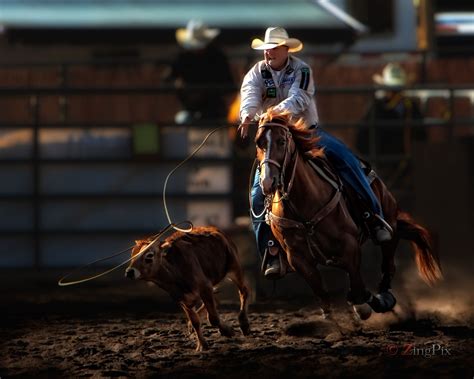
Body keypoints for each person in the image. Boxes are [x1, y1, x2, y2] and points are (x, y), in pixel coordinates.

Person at [238, 27, 393, 279]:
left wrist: (273, 113)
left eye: (274, 47)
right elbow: (250, 96)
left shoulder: (302, 70)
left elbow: (299, 99)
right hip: (275, 138)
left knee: (347, 161)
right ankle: (271, 251)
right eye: (266, 48)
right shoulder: (256, 73)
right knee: (257, 193)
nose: (268, 52)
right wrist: (247, 114)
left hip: (306, 133)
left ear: (286, 49)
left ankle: (373, 217)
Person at [357, 63, 426, 186]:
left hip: (404, 169)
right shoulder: (377, 108)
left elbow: (421, 136)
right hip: (387, 168)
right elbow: (361, 139)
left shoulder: (410, 108)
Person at [163, 20, 236, 124]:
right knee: (183, 120)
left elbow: (229, 86)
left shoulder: (218, 58)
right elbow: (167, 79)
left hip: (214, 109)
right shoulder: (182, 58)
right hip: (189, 109)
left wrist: (206, 91)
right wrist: (179, 86)